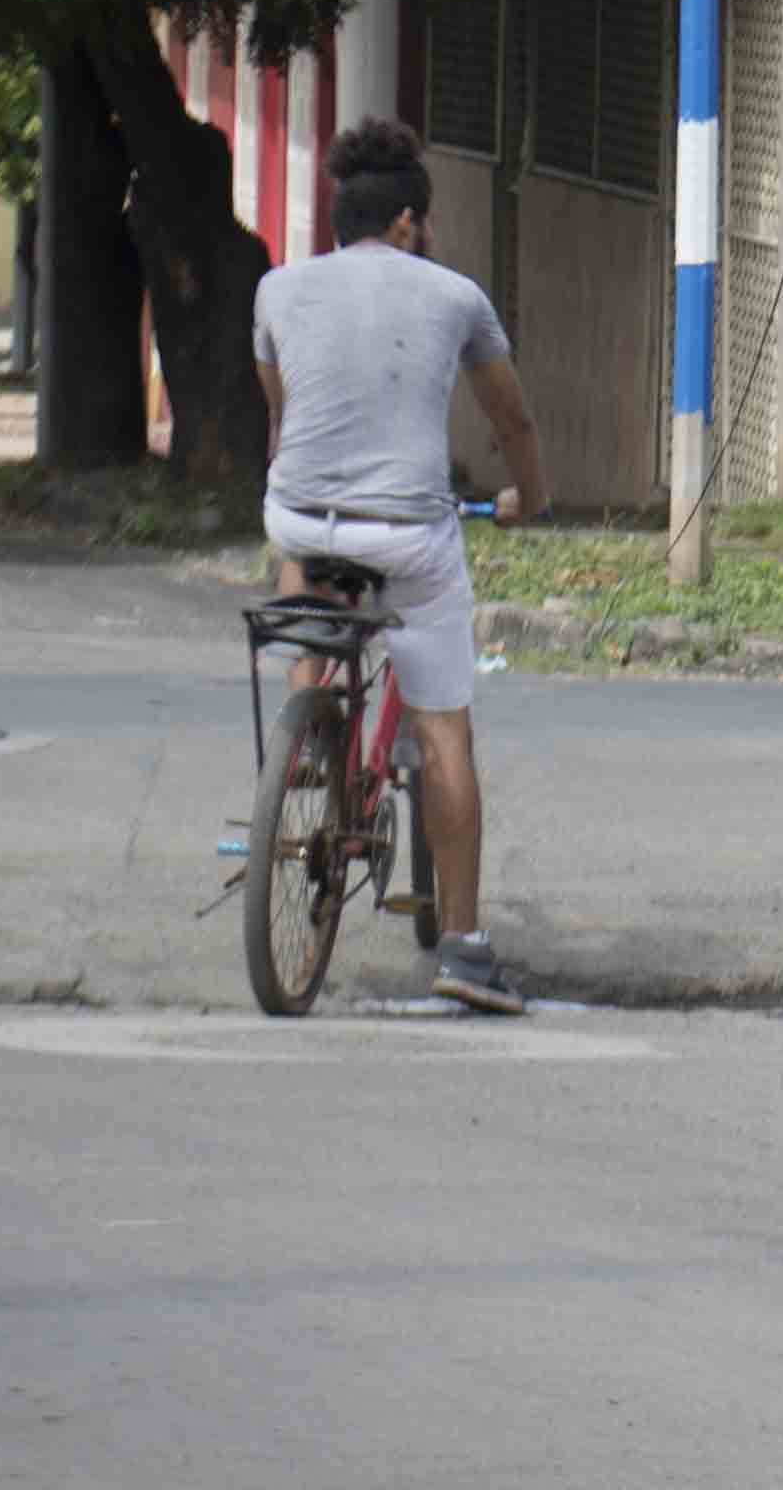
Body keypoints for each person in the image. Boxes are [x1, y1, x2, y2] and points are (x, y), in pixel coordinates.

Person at [254, 119, 548, 1016]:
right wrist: (527, 500)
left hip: (301, 517)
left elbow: (284, 413)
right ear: (411, 221)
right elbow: (512, 421)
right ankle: (463, 948)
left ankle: (309, 711)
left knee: (299, 534)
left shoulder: (275, 290)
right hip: (410, 537)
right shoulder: (455, 296)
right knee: (445, 733)